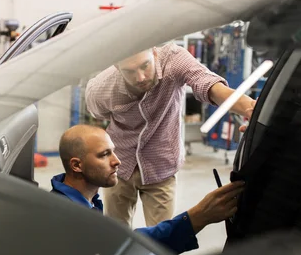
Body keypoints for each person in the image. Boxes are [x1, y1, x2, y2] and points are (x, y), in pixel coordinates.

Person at [85, 42, 255, 227]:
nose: (140, 77)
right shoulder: (100, 90)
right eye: (130, 72)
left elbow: (209, 85)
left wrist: (249, 108)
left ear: (155, 54)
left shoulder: (173, 59)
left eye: (145, 66)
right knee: (115, 232)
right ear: (117, 67)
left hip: (161, 165)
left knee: (163, 238)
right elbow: (99, 115)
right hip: (119, 165)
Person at [51, 124, 244, 255]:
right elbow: (124, 246)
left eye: (114, 151)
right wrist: (197, 216)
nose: (117, 161)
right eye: (104, 155)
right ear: (77, 165)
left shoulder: (84, 202)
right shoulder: (68, 217)